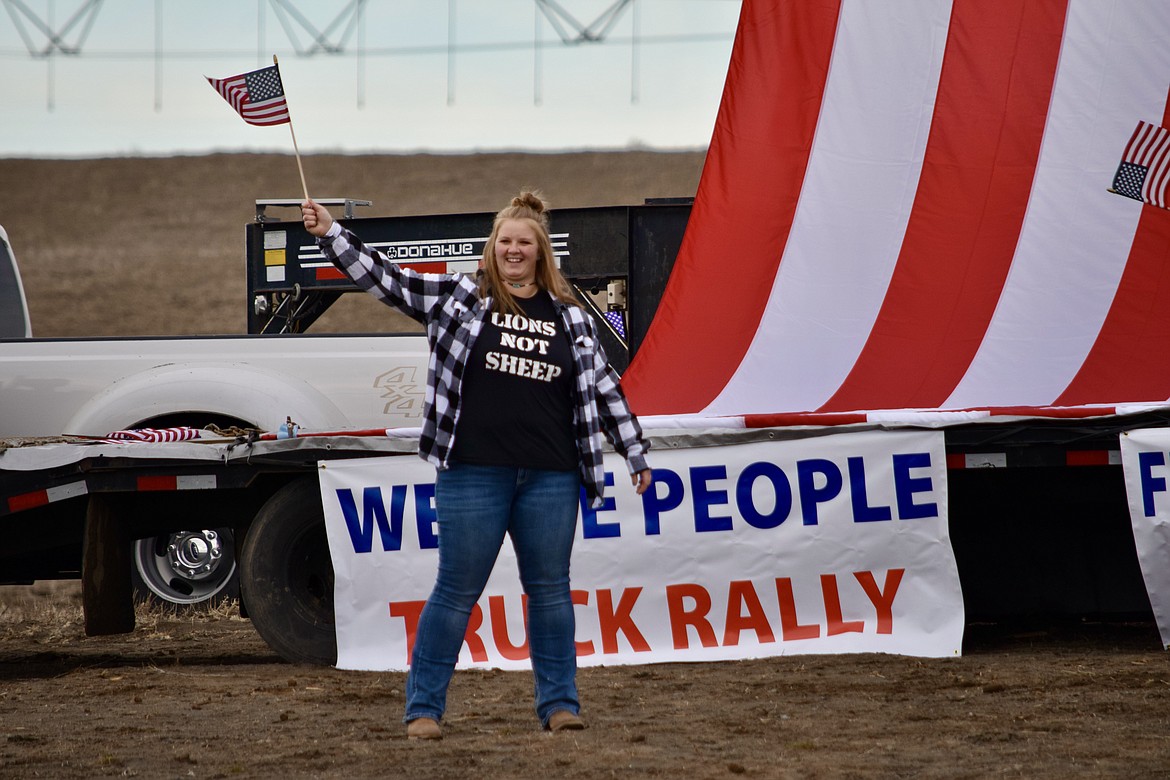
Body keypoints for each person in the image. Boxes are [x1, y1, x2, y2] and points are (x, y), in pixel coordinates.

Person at [301, 191, 652, 740]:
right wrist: (331, 235)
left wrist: (634, 451)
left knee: (552, 592)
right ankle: (424, 711)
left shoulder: (573, 320)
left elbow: (605, 389)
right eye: (505, 241)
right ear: (493, 247)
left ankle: (560, 707)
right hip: (472, 473)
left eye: (524, 242)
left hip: (551, 476)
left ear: (540, 252)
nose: (514, 250)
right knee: (455, 591)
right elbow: (387, 281)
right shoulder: (459, 296)